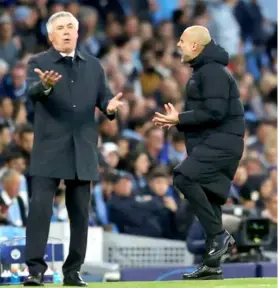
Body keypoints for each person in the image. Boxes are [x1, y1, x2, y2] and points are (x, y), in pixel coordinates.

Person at [23, 11, 124, 287]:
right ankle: (34, 271)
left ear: (78, 33)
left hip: (83, 147)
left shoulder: (93, 66)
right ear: (51, 35)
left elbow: (104, 98)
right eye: (60, 28)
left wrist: (110, 108)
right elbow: (30, 92)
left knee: (80, 212)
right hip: (49, 147)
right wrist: (43, 86)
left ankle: (73, 272)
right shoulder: (38, 62)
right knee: (40, 209)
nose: (67, 31)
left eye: (71, 27)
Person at [153, 25, 245, 280]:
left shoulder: (212, 71)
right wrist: (179, 121)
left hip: (222, 142)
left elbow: (215, 112)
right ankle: (212, 264)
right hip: (219, 142)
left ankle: (219, 236)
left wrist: (179, 118)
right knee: (209, 197)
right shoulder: (207, 70)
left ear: (195, 46)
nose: (179, 45)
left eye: (182, 41)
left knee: (184, 177)